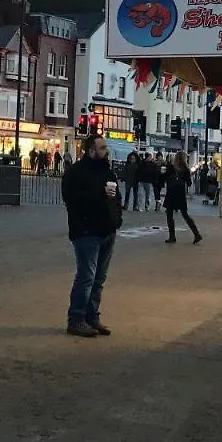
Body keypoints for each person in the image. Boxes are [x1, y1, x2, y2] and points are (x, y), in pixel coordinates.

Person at [61, 134, 124, 338]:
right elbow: (71, 199)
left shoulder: (107, 171)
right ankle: (76, 318)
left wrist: (117, 218)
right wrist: (100, 194)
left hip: (107, 230)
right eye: (102, 147)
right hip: (87, 231)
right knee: (86, 277)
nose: (106, 151)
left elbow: (116, 197)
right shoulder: (76, 173)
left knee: (99, 278)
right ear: (91, 151)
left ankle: (92, 316)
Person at [163, 151, 203, 244]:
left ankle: (172, 237)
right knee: (185, 214)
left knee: (169, 215)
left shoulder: (171, 167)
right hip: (180, 193)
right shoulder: (185, 169)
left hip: (171, 192)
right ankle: (196, 234)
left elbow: (165, 177)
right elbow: (189, 184)